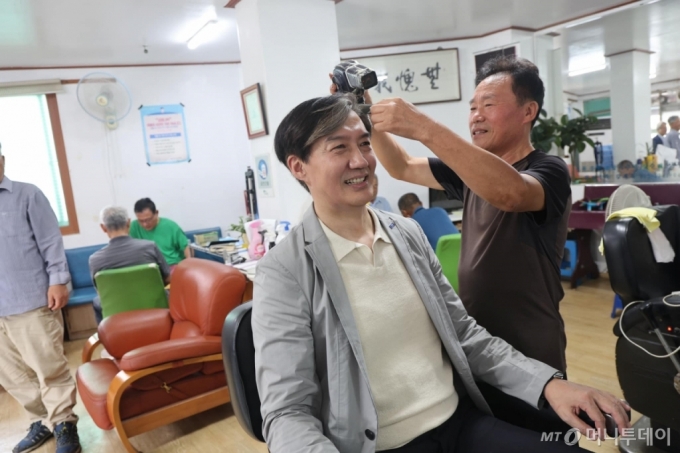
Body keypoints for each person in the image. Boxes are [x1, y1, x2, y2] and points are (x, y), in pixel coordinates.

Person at [253, 94, 630, 453]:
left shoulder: (407, 233)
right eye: (339, 148)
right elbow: (287, 411)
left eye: (365, 144)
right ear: (298, 167)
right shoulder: (285, 271)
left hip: (459, 422)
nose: (361, 160)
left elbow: (463, 333)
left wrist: (548, 384)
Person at [0, 143, 81, 453]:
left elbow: (50, 242)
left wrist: (58, 280)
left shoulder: (27, 194)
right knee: (12, 374)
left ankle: (64, 423)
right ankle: (42, 421)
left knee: (48, 367)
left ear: (2, 160)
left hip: (30, 300)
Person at [89, 206, 171, 324]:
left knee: (96, 301)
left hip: (118, 314)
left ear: (103, 228)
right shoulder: (150, 247)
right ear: (128, 223)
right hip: (154, 309)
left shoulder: (95, 259)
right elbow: (167, 279)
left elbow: (101, 291)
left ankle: (107, 337)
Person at [129, 197, 190, 269]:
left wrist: (189, 266)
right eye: (141, 221)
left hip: (171, 265)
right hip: (149, 267)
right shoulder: (134, 227)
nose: (145, 224)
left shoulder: (170, 226)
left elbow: (186, 247)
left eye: (148, 220)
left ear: (156, 213)